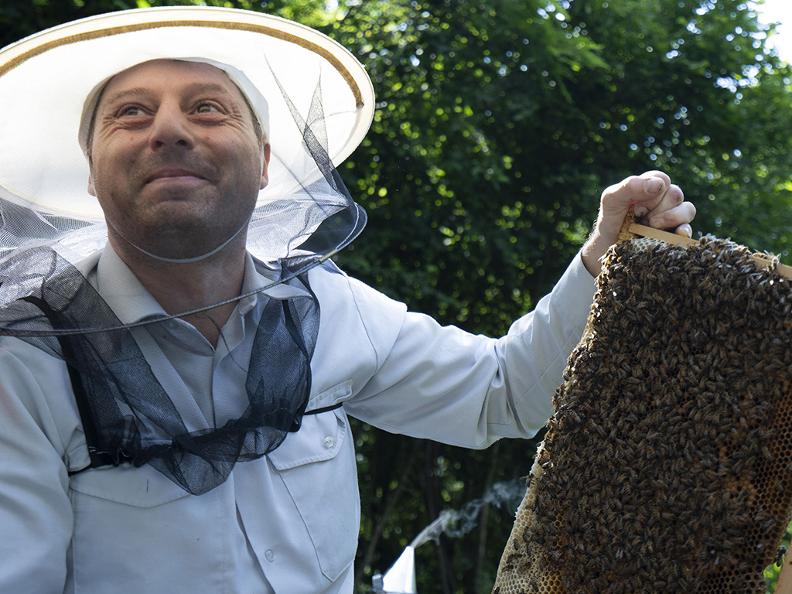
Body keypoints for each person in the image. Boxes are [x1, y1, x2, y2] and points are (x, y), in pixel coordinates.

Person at [0, 7, 695, 594]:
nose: (171, 129)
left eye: (208, 108)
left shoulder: (328, 307)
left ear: (267, 161)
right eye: (132, 113)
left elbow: (500, 393)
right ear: (90, 174)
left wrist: (601, 262)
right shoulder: (24, 365)